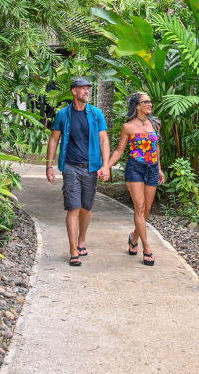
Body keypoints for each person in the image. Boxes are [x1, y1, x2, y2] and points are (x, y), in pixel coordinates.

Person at [46, 77, 110, 267]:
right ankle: (73, 250)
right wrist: (49, 165)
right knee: (73, 207)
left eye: (88, 89)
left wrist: (105, 165)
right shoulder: (63, 115)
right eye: (83, 89)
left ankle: (82, 239)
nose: (86, 92)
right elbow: (53, 140)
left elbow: (104, 141)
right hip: (71, 166)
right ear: (74, 91)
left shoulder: (96, 114)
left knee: (86, 207)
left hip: (91, 167)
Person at [105, 92, 164, 266]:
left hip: (152, 168)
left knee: (146, 210)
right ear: (137, 106)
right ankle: (147, 248)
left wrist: (159, 169)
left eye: (150, 101)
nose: (150, 104)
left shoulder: (156, 123)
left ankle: (134, 237)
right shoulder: (128, 127)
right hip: (135, 168)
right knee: (139, 207)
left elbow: (156, 147)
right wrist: (106, 166)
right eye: (146, 101)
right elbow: (119, 151)